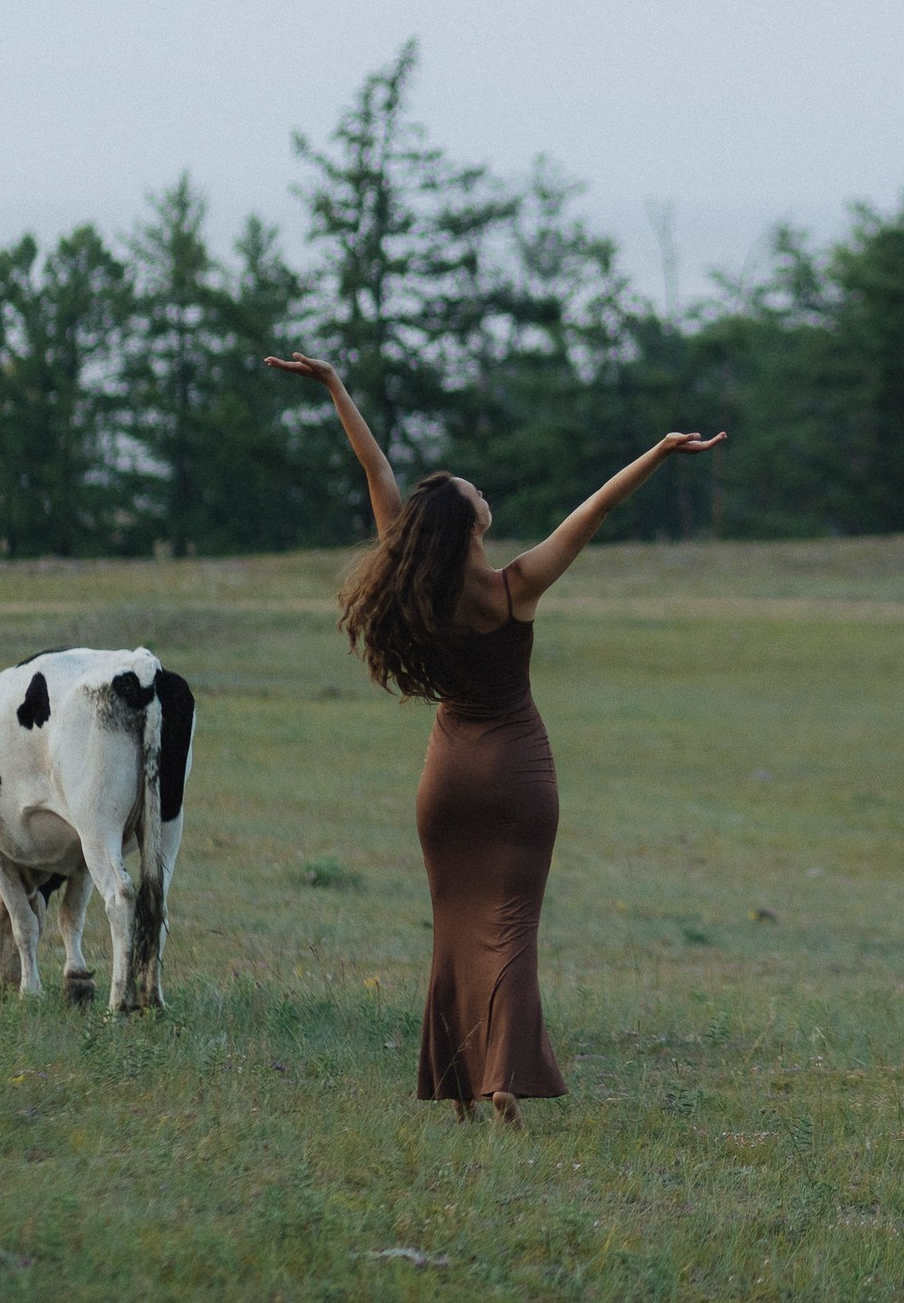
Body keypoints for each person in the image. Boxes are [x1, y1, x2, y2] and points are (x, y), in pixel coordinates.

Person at [265, 351, 724, 1125]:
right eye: (472, 488)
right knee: (511, 925)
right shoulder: (515, 587)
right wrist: (657, 452)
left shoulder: (417, 588)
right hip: (516, 771)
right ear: (470, 519)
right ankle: (503, 1077)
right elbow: (594, 513)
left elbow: (377, 473)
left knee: (454, 926)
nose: (480, 487)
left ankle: (458, 1086)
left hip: (447, 778)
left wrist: (338, 387)